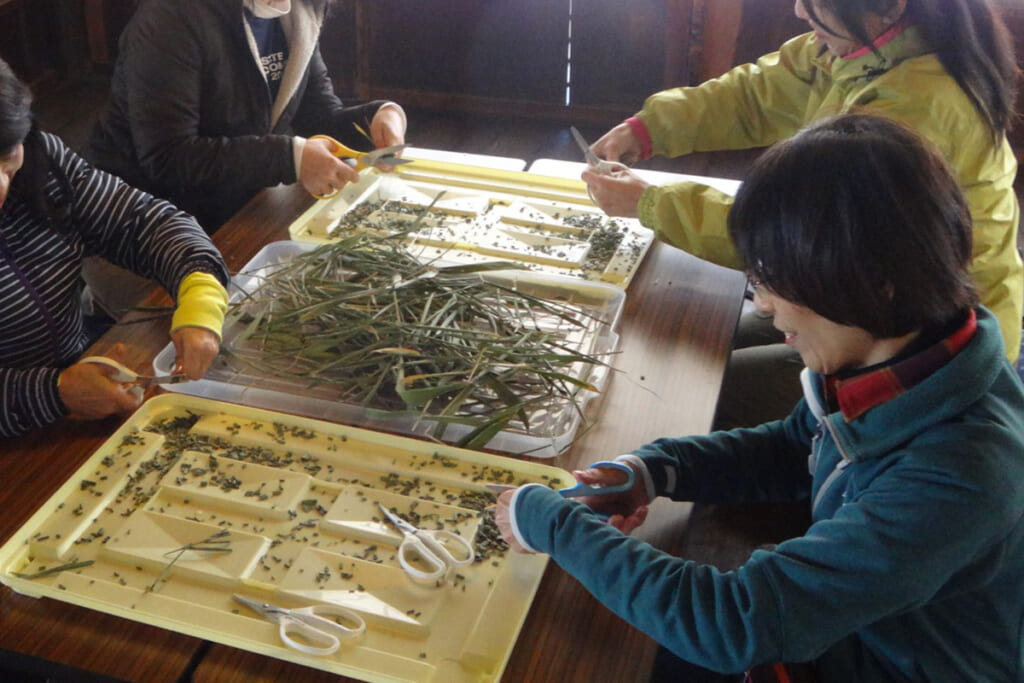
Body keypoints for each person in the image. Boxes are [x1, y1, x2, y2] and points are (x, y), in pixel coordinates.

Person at [496, 114, 1024, 682]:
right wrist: (654, 470)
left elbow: (733, 624)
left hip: (892, 665)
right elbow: (793, 447)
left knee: (593, 653)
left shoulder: (961, 472)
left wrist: (551, 523)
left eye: (774, 279)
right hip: (866, 624)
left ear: (873, 279)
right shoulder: (900, 358)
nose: (765, 304)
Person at [583, 0, 1021, 428]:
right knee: (698, 342)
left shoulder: (916, 105)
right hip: (852, 302)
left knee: (698, 388)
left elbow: (805, 239)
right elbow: (756, 95)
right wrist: (648, 128)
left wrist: (651, 203)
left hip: (926, 343)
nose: (798, 10)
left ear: (891, 7)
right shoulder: (854, 44)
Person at [0, 58, 231, 439]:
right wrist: (52, 393)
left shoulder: (41, 160)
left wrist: (200, 294)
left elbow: (142, 221)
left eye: (8, 164)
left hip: (84, 387)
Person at [88, 0, 408, 232]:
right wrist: (290, 159)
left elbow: (319, 116)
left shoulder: (299, 10)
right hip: (141, 223)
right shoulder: (171, 17)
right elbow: (168, 158)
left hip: (234, 201)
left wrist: (378, 119)